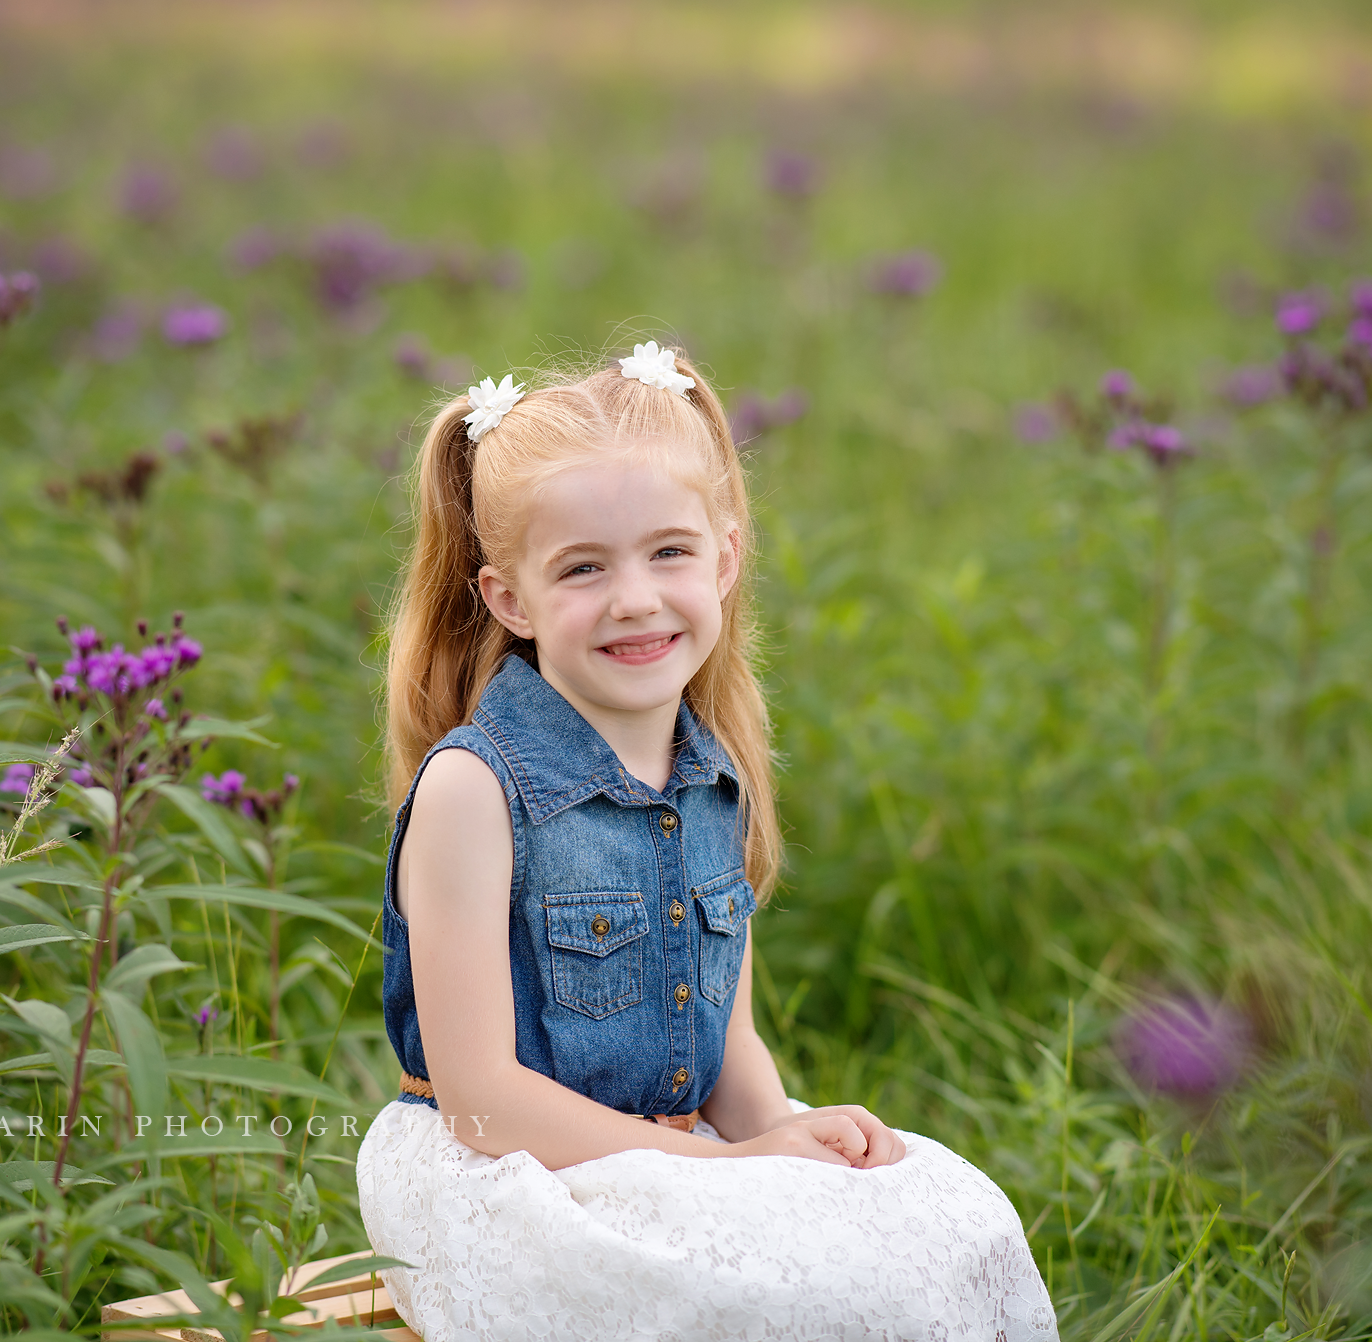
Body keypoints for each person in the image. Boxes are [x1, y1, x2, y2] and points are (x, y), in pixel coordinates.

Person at [358, 343, 1057, 1340]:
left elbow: (720, 1037)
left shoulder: (709, 771)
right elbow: (479, 1103)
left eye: (668, 553)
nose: (635, 597)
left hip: (673, 1152)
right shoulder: (476, 789)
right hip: (507, 1179)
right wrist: (733, 1171)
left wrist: (776, 1132)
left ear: (724, 560)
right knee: (776, 1298)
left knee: (953, 1225)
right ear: (509, 599)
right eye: (583, 568)